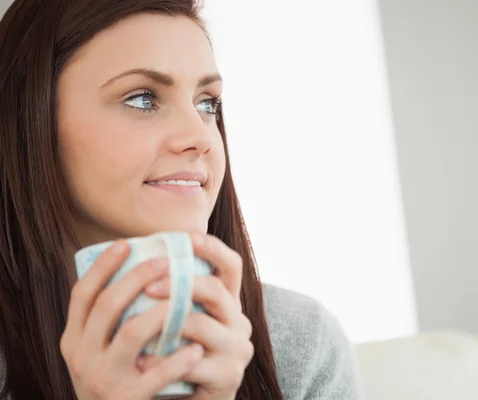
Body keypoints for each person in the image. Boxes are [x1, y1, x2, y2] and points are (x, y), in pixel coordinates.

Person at [0, 0, 363, 399]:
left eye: (207, 104)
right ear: (28, 122)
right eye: (142, 99)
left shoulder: (300, 342)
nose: (202, 138)